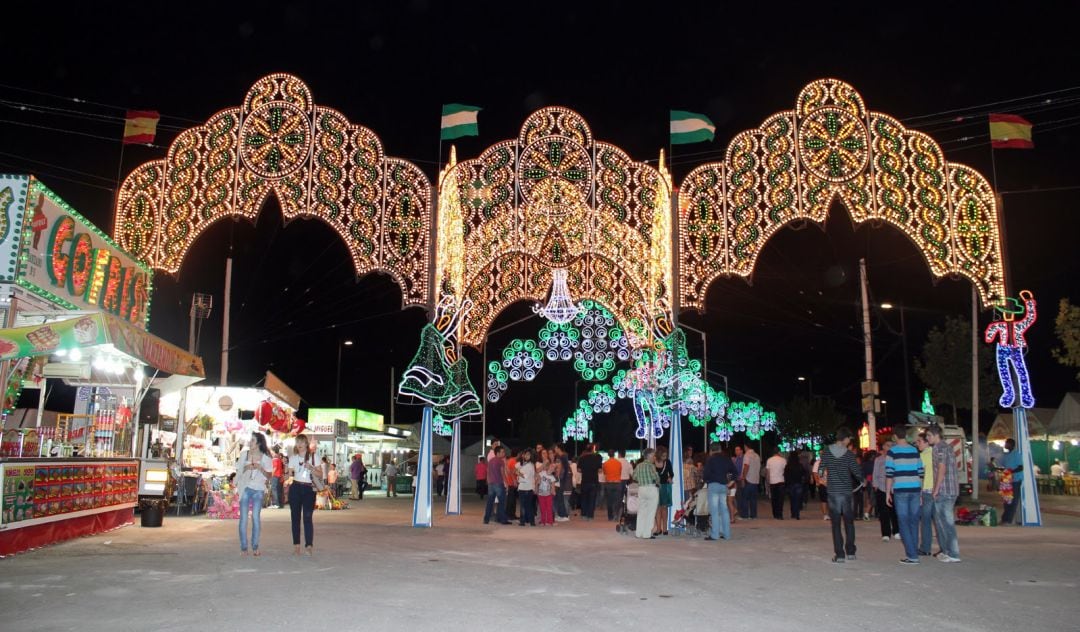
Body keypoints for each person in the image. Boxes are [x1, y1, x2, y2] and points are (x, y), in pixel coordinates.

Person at [818, 427, 863, 563]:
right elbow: (856, 471)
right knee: (849, 522)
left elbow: (821, 469)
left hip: (833, 492)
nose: (850, 441)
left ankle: (840, 555)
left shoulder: (826, 452)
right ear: (846, 438)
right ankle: (850, 552)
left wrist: (823, 479)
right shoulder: (849, 454)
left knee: (836, 524)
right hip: (847, 492)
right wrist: (863, 480)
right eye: (849, 438)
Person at [886, 427, 925, 565]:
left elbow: (889, 474)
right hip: (915, 489)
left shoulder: (892, 452)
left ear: (896, 436)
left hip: (901, 490)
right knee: (914, 522)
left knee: (903, 523)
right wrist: (920, 492)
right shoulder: (914, 450)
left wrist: (887, 493)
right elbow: (921, 472)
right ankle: (913, 552)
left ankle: (912, 555)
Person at [927, 424, 961, 562]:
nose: (927, 438)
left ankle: (953, 554)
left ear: (936, 435)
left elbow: (941, 469)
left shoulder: (940, 448)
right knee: (941, 522)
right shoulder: (945, 447)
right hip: (948, 489)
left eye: (929, 435)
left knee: (947, 523)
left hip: (945, 490)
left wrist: (936, 489)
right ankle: (946, 551)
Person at [236, 431, 273, 556]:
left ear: (258, 443)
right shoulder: (244, 454)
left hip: (258, 489)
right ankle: (244, 547)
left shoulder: (266, 458)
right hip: (245, 488)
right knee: (243, 519)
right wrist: (247, 468)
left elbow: (269, 476)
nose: (250, 442)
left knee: (256, 518)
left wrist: (260, 468)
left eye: (252, 440)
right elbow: (238, 471)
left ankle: (255, 546)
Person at [287, 434, 318, 556]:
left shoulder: (314, 457)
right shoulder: (293, 458)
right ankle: (296, 545)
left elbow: (321, 474)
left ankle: (309, 545)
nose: (299, 445)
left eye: (302, 442)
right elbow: (290, 475)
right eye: (297, 442)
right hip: (295, 487)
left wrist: (311, 468)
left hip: (309, 489)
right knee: (295, 518)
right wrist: (287, 477)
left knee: (307, 517)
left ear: (306, 444)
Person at [703, 443, 738, 541]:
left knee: (714, 511)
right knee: (724, 510)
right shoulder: (726, 459)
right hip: (724, 486)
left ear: (711, 451)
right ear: (720, 450)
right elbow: (735, 472)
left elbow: (705, 475)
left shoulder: (710, 460)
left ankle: (715, 535)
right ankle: (726, 534)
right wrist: (730, 483)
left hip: (713, 486)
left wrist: (707, 480)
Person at [915, 434, 937, 556]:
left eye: (919, 441)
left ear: (927, 442)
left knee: (926, 521)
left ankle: (925, 548)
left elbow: (919, 475)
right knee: (939, 521)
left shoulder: (923, 456)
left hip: (927, 490)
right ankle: (946, 549)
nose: (918, 444)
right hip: (939, 490)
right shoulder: (936, 453)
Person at [873, 440, 899, 540]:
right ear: (883, 446)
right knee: (883, 512)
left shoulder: (895, 458)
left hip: (893, 488)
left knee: (894, 511)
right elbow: (875, 473)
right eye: (888, 445)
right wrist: (875, 485)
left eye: (892, 445)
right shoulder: (879, 459)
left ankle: (896, 531)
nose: (890, 447)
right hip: (881, 487)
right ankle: (885, 533)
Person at [632, 448, 660, 539]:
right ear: (649, 455)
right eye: (654, 455)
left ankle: (638, 533)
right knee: (651, 512)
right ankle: (647, 534)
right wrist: (658, 481)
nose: (655, 457)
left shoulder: (638, 465)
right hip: (651, 488)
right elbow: (656, 477)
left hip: (641, 489)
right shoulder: (651, 465)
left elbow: (634, 476)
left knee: (641, 511)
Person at [484, 446, 510, 524]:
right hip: (498, 483)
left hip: (491, 484)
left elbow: (488, 471)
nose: (504, 453)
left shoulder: (491, 461)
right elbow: (502, 473)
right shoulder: (500, 461)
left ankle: (486, 519)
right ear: (497, 453)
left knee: (490, 502)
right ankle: (502, 520)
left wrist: (488, 481)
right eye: (502, 452)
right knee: (502, 502)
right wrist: (506, 483)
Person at [1000, 438, 1024, 524]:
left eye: (1007, 444)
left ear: (1011, 445)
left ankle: (1008, 519)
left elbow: (1021, 467)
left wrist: (1010, 472)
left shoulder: (1016, 454)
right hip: (1006, 479)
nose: (1005, 445)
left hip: (1015, 480)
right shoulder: (1006, 455)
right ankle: (1004, 518)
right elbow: (1004, 467)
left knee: (1013, 501)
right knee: (1006, 500)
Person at [577, 445, 603, 521]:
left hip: (584, 481)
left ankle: (584, 515)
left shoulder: (582, 458)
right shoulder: (597, 458)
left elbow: (578, 470)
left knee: (584, 498)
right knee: (592, 499)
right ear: (592, 450)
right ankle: (590, 516)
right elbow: (600, 470)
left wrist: (584, 470)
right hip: (594, 481)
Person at [654, 446, 674, 536]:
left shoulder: (668, 462)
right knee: (657, 508)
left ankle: (665, 529)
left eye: (666, 455)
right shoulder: (653, 462)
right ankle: (658, 529)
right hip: (655, 487)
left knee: (664, 508)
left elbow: (671, 473)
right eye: (663, 455)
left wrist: (670, 477)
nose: (665, 457)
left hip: (665, 487)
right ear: (658, 455)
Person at [516, 449, 537, 526]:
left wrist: (518, 473)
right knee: (527, 505)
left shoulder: (530, 465)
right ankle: (530, 521)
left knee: (525, 506)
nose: (526, 456)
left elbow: (525, 476)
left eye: (528, 454)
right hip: (524, 487)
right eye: (525, 454)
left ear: (531, 456)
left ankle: (525, 521)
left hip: (526, 488)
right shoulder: (525, 464)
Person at [784, 452, 807, 520]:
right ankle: (797, 514)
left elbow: (785, 475)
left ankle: (793, 513)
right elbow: (804, 474)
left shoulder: (788, 466)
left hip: (790, 484)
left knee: (792, 499)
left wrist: (786, 485)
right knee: (797, 499)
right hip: (798, 484)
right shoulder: (800, 465)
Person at [740, 445, 761, 519]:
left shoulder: (747, 455)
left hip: (748, 479)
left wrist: (743, 477)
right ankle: (753, 515)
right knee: (753, 499)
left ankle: (745, 515)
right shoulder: (757, 455)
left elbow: (746, 466)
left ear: (746, 446)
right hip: (755, 480)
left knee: (744, 498)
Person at [602, 450, 623, 521]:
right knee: (617, 500)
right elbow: (620, 472)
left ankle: (610, 517)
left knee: (609, 501)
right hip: (617, 483)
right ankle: (616, 515)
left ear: (608, 455)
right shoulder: (618, 463)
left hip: (609, 484)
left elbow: (604, 473)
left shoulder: (605, 463)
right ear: (614, 455)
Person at [766, 448, 786, 520]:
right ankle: (780, 514)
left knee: (774, 499)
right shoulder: (783, 460)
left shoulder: (769, 460)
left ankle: (775, 514)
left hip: (772, 481)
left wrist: (768, 481)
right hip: (781, 481)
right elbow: (785, 470)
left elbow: (768, 472)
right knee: (780, 499)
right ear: (779, 452)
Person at [537, 452, 557, 526]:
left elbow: (553, 486)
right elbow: (537, 477)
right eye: (551, 467)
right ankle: (543, 521)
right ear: (548, 467)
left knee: (549, 508)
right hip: (541, 494)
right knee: (542, 509)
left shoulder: (552, 477)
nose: (552, 468)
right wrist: (537, 483)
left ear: (554, 470)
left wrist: (553, 491)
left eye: (554, 468)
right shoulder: (542, 473)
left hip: (548, 495)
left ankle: (550, 521)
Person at [555, 444, 572, 522]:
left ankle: (564, 515)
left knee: (561, 497)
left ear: (559, 448)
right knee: (559, 497)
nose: (555, 449)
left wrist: (561, 477)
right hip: (561, 479)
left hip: (562, 479)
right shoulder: (562, 456)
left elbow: (565, 469)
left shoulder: (563, 456)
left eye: (555, 447)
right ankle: (561, 514)